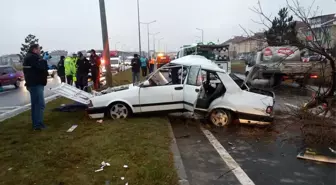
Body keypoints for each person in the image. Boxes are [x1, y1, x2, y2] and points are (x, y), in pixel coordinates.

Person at [22, 44, 48, 130]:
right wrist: (43, 60)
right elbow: (41, 67)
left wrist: (42, 59)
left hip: (34, 84)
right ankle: (38, 124)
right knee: (39, 104)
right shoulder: (32, 57)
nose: (40, 51)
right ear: (34, 50)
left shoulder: (30, 57)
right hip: (35, 84)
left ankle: (36, 123)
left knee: (36, 105)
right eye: (39, 49)